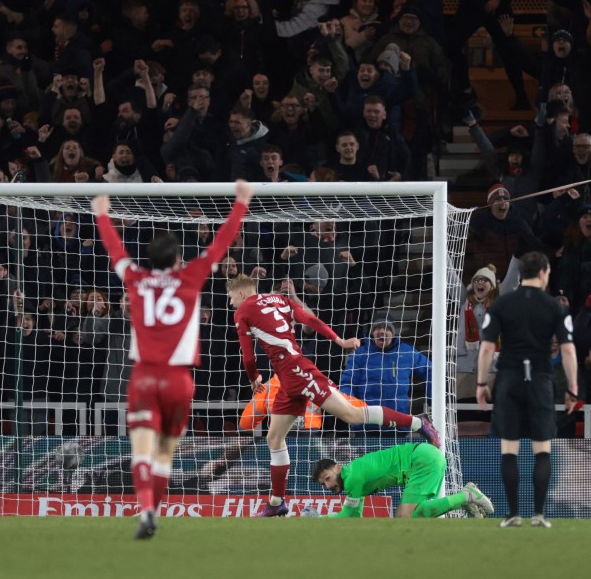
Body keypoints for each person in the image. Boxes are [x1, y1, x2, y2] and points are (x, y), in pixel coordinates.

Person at [90, 179, 253, 540]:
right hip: (179, 379)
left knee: (142, 449)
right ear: (178, 259)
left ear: (149, 259)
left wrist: (102, 214)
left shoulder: (135, 279)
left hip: (144, 377)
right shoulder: (190, 276)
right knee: (165, 451)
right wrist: (240, 203)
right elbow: (219, 246)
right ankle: (154, 512)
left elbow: (115, 252)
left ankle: (146, 509)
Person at [225, 274, 441, 518]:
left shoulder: (243, 310)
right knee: (274, 439)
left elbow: (247, 354)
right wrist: (338, 340)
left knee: (352, 415)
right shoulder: (279, 299)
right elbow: (310, 319)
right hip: (288, 378)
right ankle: (276, 502)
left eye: (231, 297)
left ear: (242, 293)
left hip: (297, 371)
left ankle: (417, 422)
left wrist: (254, 377)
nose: (231, 303)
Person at [477, 251, 580, 528]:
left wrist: (481, 384)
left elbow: (487, 347)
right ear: (545, 273)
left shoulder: (502, 304)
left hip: (509, 380)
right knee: (542, 450)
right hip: (540, 380)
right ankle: (538, 515)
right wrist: (572, 389)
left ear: (521, 274)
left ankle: (512, 514)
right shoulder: (554, 307)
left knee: (509, 450)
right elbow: (568, 351)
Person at [306, 443, 494, 518]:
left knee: (403, 518)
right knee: (414, 515)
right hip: (423, 457)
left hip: (420, 460)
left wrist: (318, 518)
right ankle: (463, 500)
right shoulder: (353, 477)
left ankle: (467, 496)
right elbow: (354, 517)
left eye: (328, 478)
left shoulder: (353, 478)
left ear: (337, 467)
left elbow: (346, 516)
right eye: (324, 484)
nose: (329, 486)